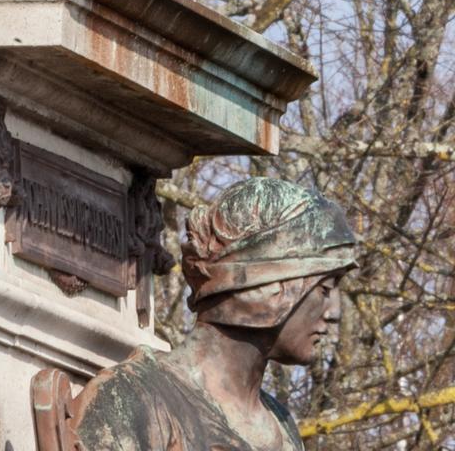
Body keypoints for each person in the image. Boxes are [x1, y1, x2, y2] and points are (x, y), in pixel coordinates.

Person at [70, 173, 357, 450]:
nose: (333, 313)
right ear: (270, 287)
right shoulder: (135, 400)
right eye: (325, 289)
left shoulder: (282, 427)